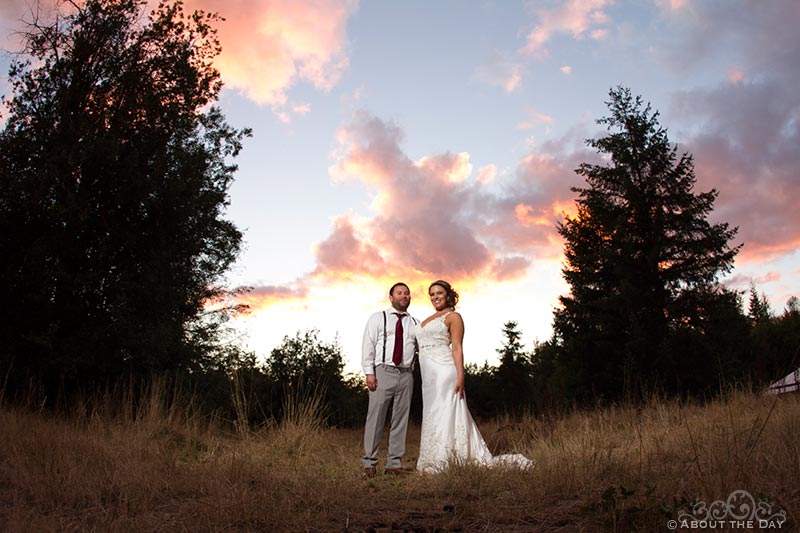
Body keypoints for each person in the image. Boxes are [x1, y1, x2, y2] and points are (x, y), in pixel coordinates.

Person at [416, 280, 532, 473]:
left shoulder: (453, 317)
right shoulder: (427, 318)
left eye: (439, 293)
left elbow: (457, 347)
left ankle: (444, 459)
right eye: (432, 294)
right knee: (433, 413)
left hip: (445, 371)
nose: (435, 297)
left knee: (445, 411)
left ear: (448, 295)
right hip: (428, 376)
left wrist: (461, 375)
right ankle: (433, 456)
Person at [361, 282, 419, 478]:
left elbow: (423, 348)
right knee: (375, 418)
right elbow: (368, 344)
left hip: (406, 374)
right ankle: (369, 462)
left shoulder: (415, 323)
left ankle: (394, 464)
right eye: (399, 293)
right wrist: (369, 372)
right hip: (383, 371)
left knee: (400, 420)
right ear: (391, 297)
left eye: (407, 293)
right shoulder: (379, 318)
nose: (404, 296)